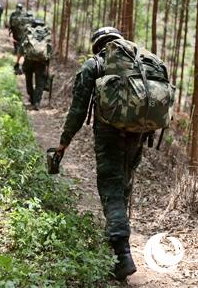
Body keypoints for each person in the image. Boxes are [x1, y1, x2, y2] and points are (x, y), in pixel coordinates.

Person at [55, 27, 145, 281]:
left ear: (97, 45)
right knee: (123, 184)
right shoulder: (139, 60)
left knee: (110, 188)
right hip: (138, 133)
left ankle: (122, 253)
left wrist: (63, 143)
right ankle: (116, 240)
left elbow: (77, 111)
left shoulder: (94, 65)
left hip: (109, 136)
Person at [19, 19, 52, 110]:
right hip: (41, 62)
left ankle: (31, 97)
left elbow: (21, 48)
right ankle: (37, 102)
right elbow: (49, 51)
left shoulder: (28, 33)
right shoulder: (46, 34)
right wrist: (48, 65)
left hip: (29, 60)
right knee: (40, 82)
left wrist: (18, 62)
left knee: (28, 80)